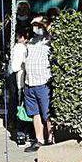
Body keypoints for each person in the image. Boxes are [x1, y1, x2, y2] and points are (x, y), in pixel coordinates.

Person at [21, 17, 54, 153]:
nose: (36, 28)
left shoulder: (48, 41)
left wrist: (44, 22)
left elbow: (54, 32)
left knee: (47, 113)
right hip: (30, 83)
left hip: (43, 83)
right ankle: (39, 140)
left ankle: (51, 139)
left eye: (38, 25)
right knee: (35, 113)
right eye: (34, 25)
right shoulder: (31, 42)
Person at [7, 27, 32, 146]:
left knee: (18, 105)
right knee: (22, 106)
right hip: (21, 81)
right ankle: (22, 132)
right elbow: (20, 65)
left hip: (17, 80)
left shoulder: (15, 48)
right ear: (23, 37)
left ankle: (21, 131)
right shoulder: (22, 48)